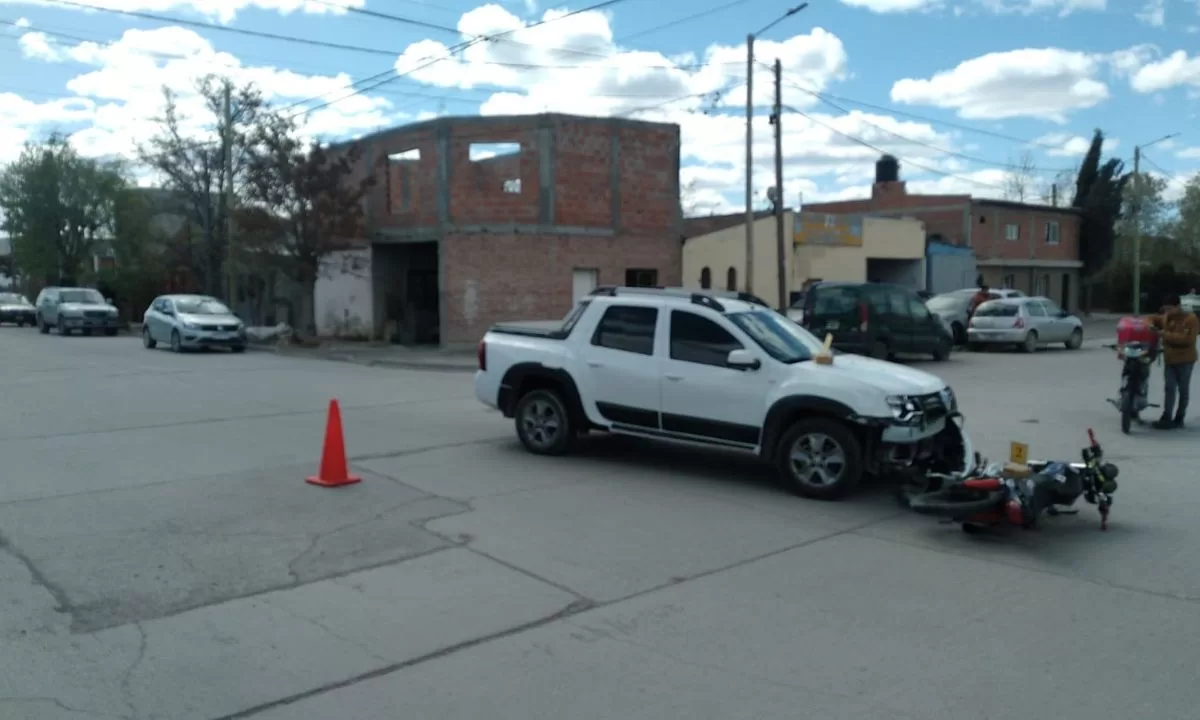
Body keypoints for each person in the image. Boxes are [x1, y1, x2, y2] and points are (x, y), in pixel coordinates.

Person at [1148, 294, 1199, 429]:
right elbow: (1152, 318)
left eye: (1170, 309)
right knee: (1169, 388)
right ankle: (1166, 417)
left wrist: (1164, 334)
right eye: (1165, 309)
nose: (1167, 312)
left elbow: (1186, 339)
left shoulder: (1191, 319)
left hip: (1185, 360)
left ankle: (1179, 417)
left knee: (1183, 390)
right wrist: (1149, 324)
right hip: (1170, 360)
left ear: (1178, 307)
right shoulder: (1166, 317)